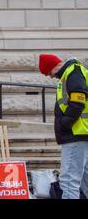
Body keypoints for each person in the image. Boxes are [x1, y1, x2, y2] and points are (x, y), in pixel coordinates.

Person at [38, 54, 88, 199]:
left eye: (48, 73)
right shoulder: (73, 72)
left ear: (53, 66)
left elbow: (78, 102)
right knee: (84, 180)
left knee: (68, 181)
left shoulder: (72, 72)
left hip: (75, 133)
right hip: (80, 132)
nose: (50, 77)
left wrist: (65, 123)